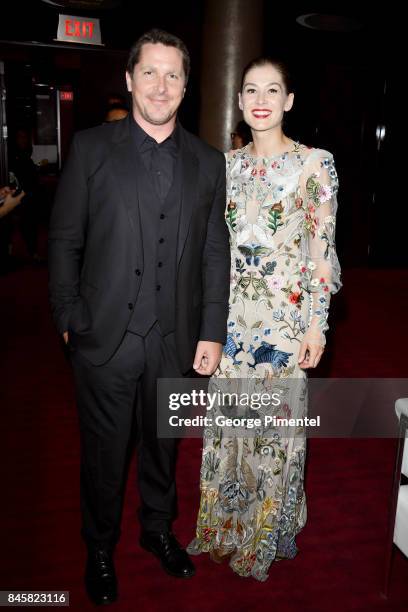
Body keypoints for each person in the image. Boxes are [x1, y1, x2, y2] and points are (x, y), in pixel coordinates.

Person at [48, 29, 230, 605]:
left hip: (175, 338)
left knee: (163, 446)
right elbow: (64, 239)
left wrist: (211, 330)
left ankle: (157, 531)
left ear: (186, 86)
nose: (160, 85)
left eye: (172, 74)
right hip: (104, 335)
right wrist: (68, 315)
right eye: (149, 72)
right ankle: (99, 548)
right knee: (104, 454)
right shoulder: (93, 149)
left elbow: (212, 251)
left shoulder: (207, 161)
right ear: (129, 80)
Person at [188, 57, 341, 581]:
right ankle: (226, 521)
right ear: (239, 101)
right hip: (230, 319)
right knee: (230, 425)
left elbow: (322, 252)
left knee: (272, 432)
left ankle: (265, 530)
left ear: (288, 101)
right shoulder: (225, 166)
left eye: (272, 90)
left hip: (284, 320)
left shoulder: (314, 164)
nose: (261, 99)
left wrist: (317, 323)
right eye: (251, 89)